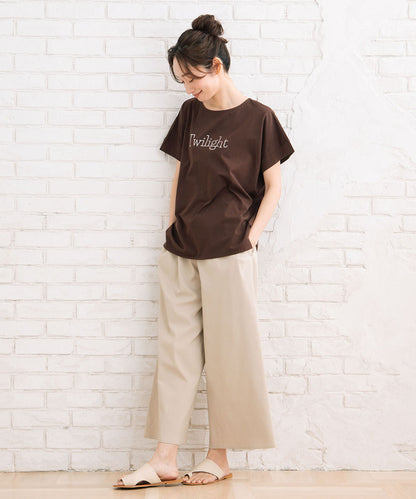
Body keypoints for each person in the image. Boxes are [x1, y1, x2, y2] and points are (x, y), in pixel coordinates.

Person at [114, 13, 295, 489]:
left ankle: (219, 456)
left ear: (216, 66)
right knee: (175, 352)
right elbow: (181, 172)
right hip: (182, 249)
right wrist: (171, 223)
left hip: (230, 252)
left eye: (192, 79)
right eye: (181, 81)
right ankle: (165, 458)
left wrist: (251, 236)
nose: (188, 89)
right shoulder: (190, 114)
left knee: (229, 354)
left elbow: (274, 186)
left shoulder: (260, 118)